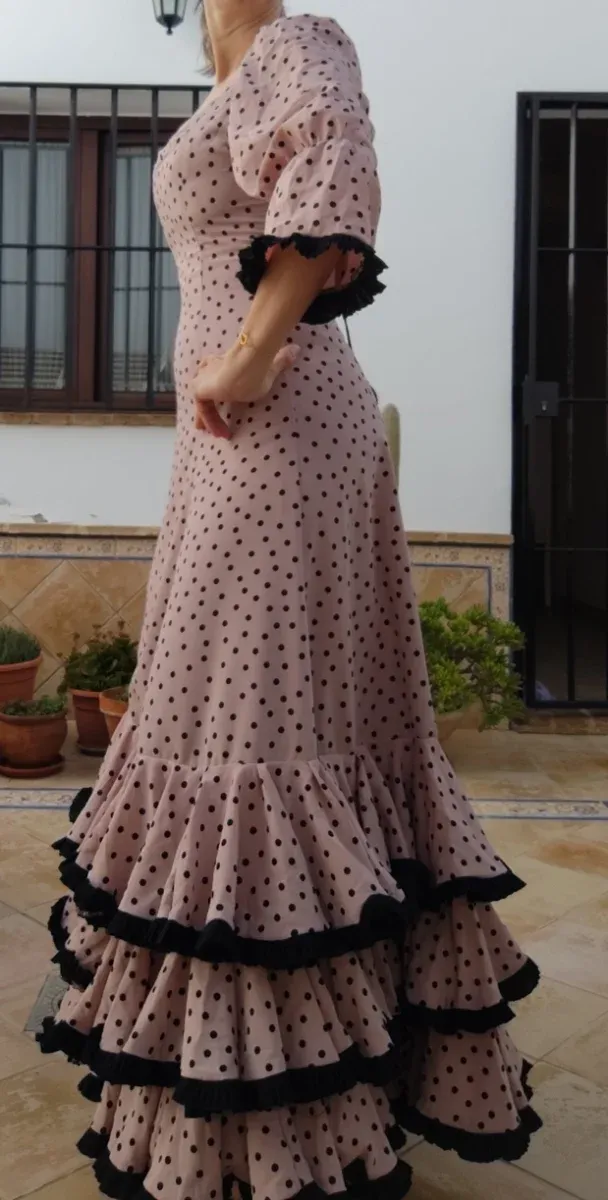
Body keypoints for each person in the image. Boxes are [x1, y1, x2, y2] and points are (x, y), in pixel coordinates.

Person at [39, 3, 541, 1196]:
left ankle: (278, 1114)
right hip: (229, 441)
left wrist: (250, 354)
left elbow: (328, 183)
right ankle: (248, 1077)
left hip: (271, 432)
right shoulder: (227, 76)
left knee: (252, 733)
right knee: (232, 719)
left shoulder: (296, 42)